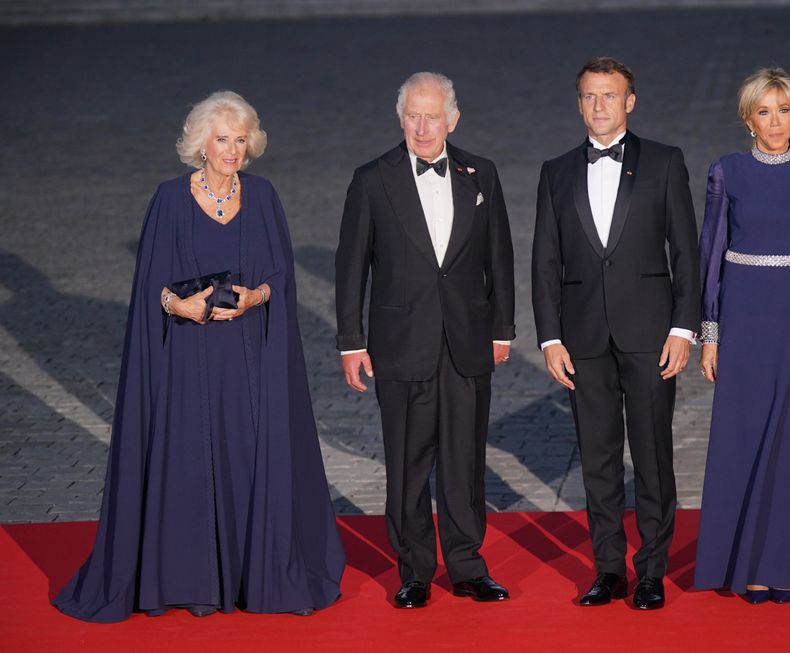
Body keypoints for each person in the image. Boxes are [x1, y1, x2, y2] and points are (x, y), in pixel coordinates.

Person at [53, 91, 345, 622]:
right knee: (189, 462)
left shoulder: (263, 195)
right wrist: (177, 305)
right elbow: (149, 287)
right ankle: (188, 578)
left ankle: (248, 577)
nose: (231, 150)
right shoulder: (168, 199)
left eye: (239, 140)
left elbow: (280, 277)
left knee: (245, 459)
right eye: (221, 139)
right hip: (186, 363)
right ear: (200, 144)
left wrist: (256, 298)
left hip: (246, 361)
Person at [335, 72, 515, 608]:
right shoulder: (372, 179)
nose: (421, 125)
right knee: (408, 464)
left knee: (464, 461)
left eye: (431, 115)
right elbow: (351, 268)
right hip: (400, 343)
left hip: (467, 342)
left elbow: (498, 259)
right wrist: (351, 340)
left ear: (452, 119)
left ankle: (467, 566)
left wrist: (502, 329)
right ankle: (413, 570)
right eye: (412, 114)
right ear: (400, 118)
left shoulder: (481, 173)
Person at [531, 57, 700, 610]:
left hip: (652, 334)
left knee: (652, 456)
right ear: (578, 102)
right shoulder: (554, 172)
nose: (598, 105)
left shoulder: (665, 163)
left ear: (630, 101)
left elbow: (687, 254)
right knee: (597, 458)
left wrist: (683, 327)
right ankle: (609, 569)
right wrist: (550, 338)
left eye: (609, 95)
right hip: (583, 342)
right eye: (589, 96)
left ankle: (651, 569)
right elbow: (544, 260)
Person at [693, 67, 790, 604]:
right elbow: (709, 254)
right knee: (738, 437)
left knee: (786, 442)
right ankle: (734, 564)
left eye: (783, 110)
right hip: (741, 316)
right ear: (748, 118)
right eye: (764, 111)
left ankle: (776, 566)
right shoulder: (726, 173)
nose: (775, 120)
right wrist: (708, 332)